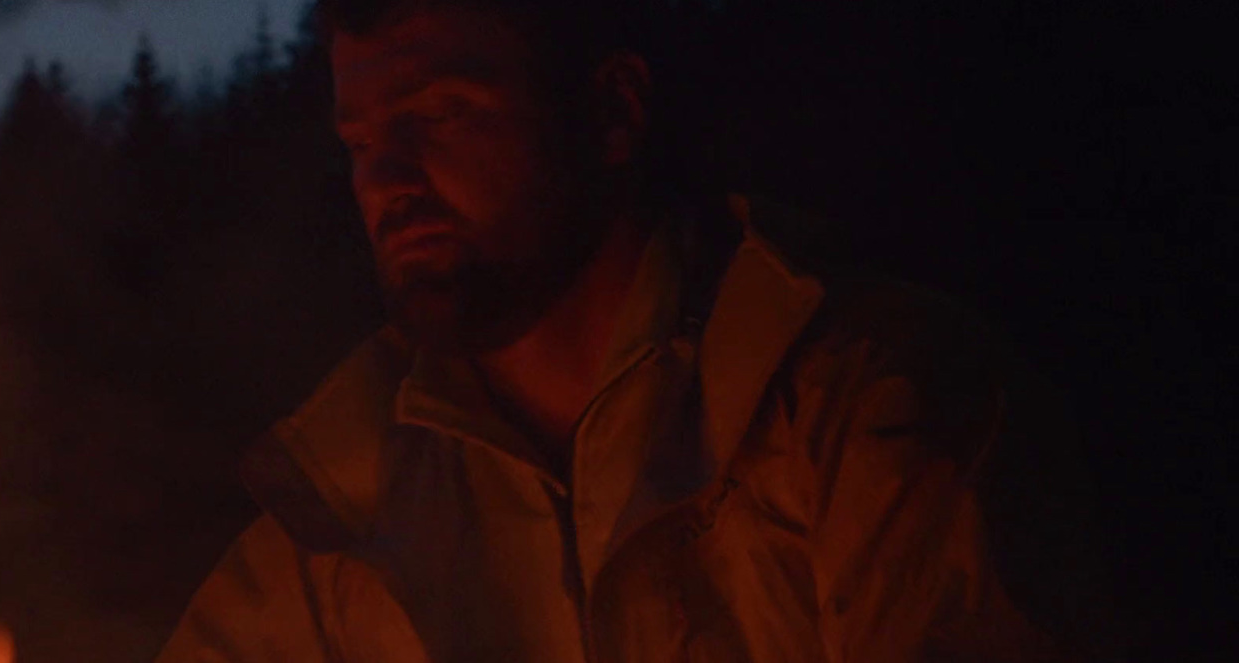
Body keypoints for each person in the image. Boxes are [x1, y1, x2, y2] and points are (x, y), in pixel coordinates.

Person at [160, 1, 1112, 661]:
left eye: (443, 115)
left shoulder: (862, 410)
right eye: (361, 143)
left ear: (612, 111)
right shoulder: (348, 506)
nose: (387, 183)